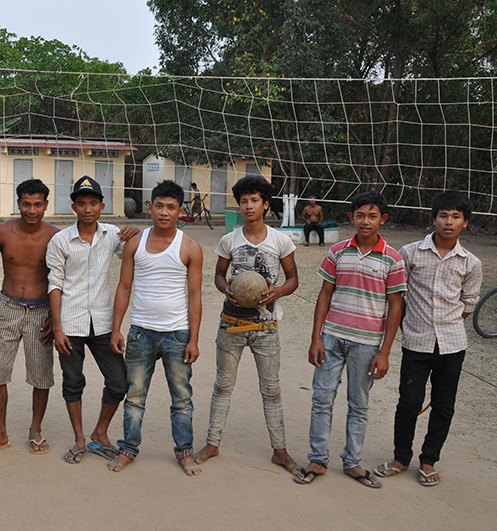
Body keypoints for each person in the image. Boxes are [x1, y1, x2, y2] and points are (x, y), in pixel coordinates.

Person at [294, 191, 406, 488]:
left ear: (383, 219)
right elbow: (325, 294)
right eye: (360, 215)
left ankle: (352, 461)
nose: (365, 221)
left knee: (359, 404)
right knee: (322, 398)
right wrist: (316, 337)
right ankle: (318, 458)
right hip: (331, 337)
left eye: (372, 216)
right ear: (351, 218)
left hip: (367, 343)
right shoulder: (338, 251)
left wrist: (384, 352)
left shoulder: (393, 259)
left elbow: (396, 306)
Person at [193, 175, 301, 475]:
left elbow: (293, 279)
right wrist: (226, 289)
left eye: (254, 200)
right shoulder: (230, 239)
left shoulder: (280, 240)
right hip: (231, 324)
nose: (248, 205)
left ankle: (280, 451)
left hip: (266, 328)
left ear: (266, 204)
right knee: (222, 386)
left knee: (271, 390)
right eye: (244, 201)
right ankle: (212, 443)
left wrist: (277, 292)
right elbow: (218, 275)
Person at [374, 190, 482, 487]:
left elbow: (468, 304)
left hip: (452, 345)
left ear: (465, 223)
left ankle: (428, 460)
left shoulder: (470, 263)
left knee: (444, 405)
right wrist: (415, 321)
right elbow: (398, 297)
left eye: (456, 217)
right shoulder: (409, 253)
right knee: (409, 402)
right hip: (416, 343)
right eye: (443, 215)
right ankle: (400, 457)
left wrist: (445, 324)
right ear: (434, 218)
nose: (449, 222)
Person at [107, 180, 204, 476]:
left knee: (182, 398)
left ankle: (184, 452)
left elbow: (195, 295)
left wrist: (194, 340)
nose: (164, 212)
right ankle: (128, 449)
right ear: (150, 208)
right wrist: (116, 329)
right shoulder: (135, 244)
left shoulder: (190, 247)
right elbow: (124, 287)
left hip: (177, 334)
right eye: (159, 206)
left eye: (171, 207)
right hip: (140, 333)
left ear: (180, 211)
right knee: (135, 395)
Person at [46, 176, 137, 464]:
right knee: (73, 381)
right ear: (73, 207)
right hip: (70, 325)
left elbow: (135, 254)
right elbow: (55, 284)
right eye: (82, 203)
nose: (88, 209)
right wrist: (58, 329)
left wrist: (137, 233)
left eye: (93, 203)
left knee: (119, 382)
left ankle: (100, 431)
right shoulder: (60, 240)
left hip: (103, 324)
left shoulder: (112, 235)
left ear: (102, 206)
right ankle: (80, 438)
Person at [0, 179, 59, 457]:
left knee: (41, 373)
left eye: (37, 204)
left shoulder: (55, 236)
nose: (31, 210)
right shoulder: (2, 232)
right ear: (18, 203)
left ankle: (35, 429)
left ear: (46, 205)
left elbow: (66, 279)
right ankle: (0, 433)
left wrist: (56, 318)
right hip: (8, 308)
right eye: (26, 204)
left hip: (41, 311)